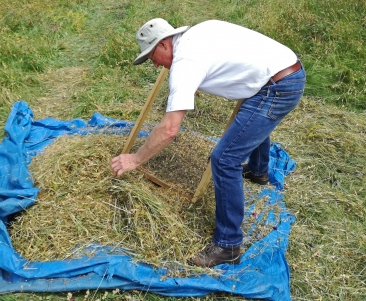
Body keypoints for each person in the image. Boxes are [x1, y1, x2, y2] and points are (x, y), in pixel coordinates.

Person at [110, 18, 305, 267]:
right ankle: (258, 172)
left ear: (163, 45)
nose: (155, 64)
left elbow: (170, 129)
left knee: (224, 159)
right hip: (282, 71)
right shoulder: (197, 34)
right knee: (250, 123)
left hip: (278, 87)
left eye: (152, 57)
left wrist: (135, 159)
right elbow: (225, 61)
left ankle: (228, 245)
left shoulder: (186, 62)